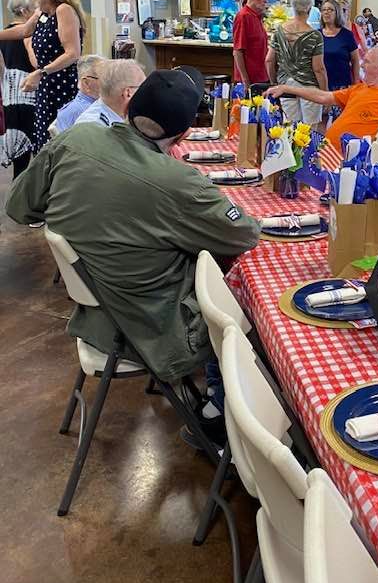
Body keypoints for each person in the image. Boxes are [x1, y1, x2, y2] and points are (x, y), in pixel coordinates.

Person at [5, 66, 260, 382]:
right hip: (156, 330)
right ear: (183, 135)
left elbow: (19, 206)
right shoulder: (177, 182)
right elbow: (243, 235)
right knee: (255, 306)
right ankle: (217, 408)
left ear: (127, 107)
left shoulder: (76, 138)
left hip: (94, 315)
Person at [266, 45, 378, 159]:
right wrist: (289, 89)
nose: (361, 64)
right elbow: (323, 97)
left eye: (367, 62)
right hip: (326, 154)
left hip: (351, 165)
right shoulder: (359, 89)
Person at [0, 0, 84, 150]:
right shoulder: (42, 14)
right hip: (46, 86)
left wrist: (41, 72)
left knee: (57, 143)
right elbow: (23, 31)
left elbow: (72, 53)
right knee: (44, 143)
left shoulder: (64, 10)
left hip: (61, 87)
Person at [266, 0, 327, 126]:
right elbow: (319, 69)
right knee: (309, 131)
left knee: (289, 127)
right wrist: (324, 92)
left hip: (286, 84)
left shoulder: (279, 31)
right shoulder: (315, 36)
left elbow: (269, 60)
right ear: (310, 8)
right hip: (309, 87)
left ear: (292, 7)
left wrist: (274, 82)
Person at [0, 0, 38, 177]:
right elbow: (36, 63)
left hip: (9, 94)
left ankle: (17, 192)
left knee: (19, 157)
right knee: (34, 147)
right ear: (25, 11)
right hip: (28, 96)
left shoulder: (4, 34)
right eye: (34, 8)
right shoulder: (27, 35)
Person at [75, 60, 145, 126]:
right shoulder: (93, 125)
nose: (146, 93)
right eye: (142, 87)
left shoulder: (117, 115)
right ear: (128, 93)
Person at [55, 54, 105, 131]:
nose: (110, 82)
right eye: (104, 78)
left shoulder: (101, 104)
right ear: (86, 83)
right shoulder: (77, 111)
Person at [232, 0, 269, 88]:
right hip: (250, 78)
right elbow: (238, 51)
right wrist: (245, 79)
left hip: (260, 76)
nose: (266, 1)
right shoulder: (243, 16)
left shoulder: (257, 16)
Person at [320, 0, 360, 91]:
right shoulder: (317, 35)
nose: (326, 12)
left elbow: (355, 61)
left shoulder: (347, 35)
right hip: (321, 86)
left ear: (337, 12)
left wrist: (356, 84)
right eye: (324, 10)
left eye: (330, 10)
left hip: (342, 86)